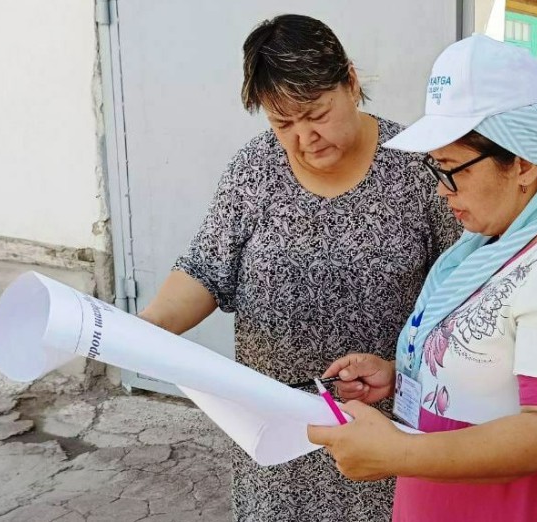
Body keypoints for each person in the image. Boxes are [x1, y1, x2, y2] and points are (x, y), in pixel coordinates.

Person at [138, 14, 460, 522]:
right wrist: (146, 330)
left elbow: (467, 290)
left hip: (385, 434)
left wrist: (407, 373)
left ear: (350, 81)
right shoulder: (255, 168)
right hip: (275, 436)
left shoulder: (417, 167)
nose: (303, 137)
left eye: (316, 113)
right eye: (281, 122)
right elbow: (205, 268)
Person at [308, 34, 537, 521]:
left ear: (523, 161)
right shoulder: (490, 246)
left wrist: (397, 452)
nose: (441, 190)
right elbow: (494, 363)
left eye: (450, 169)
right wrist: (401, 375)